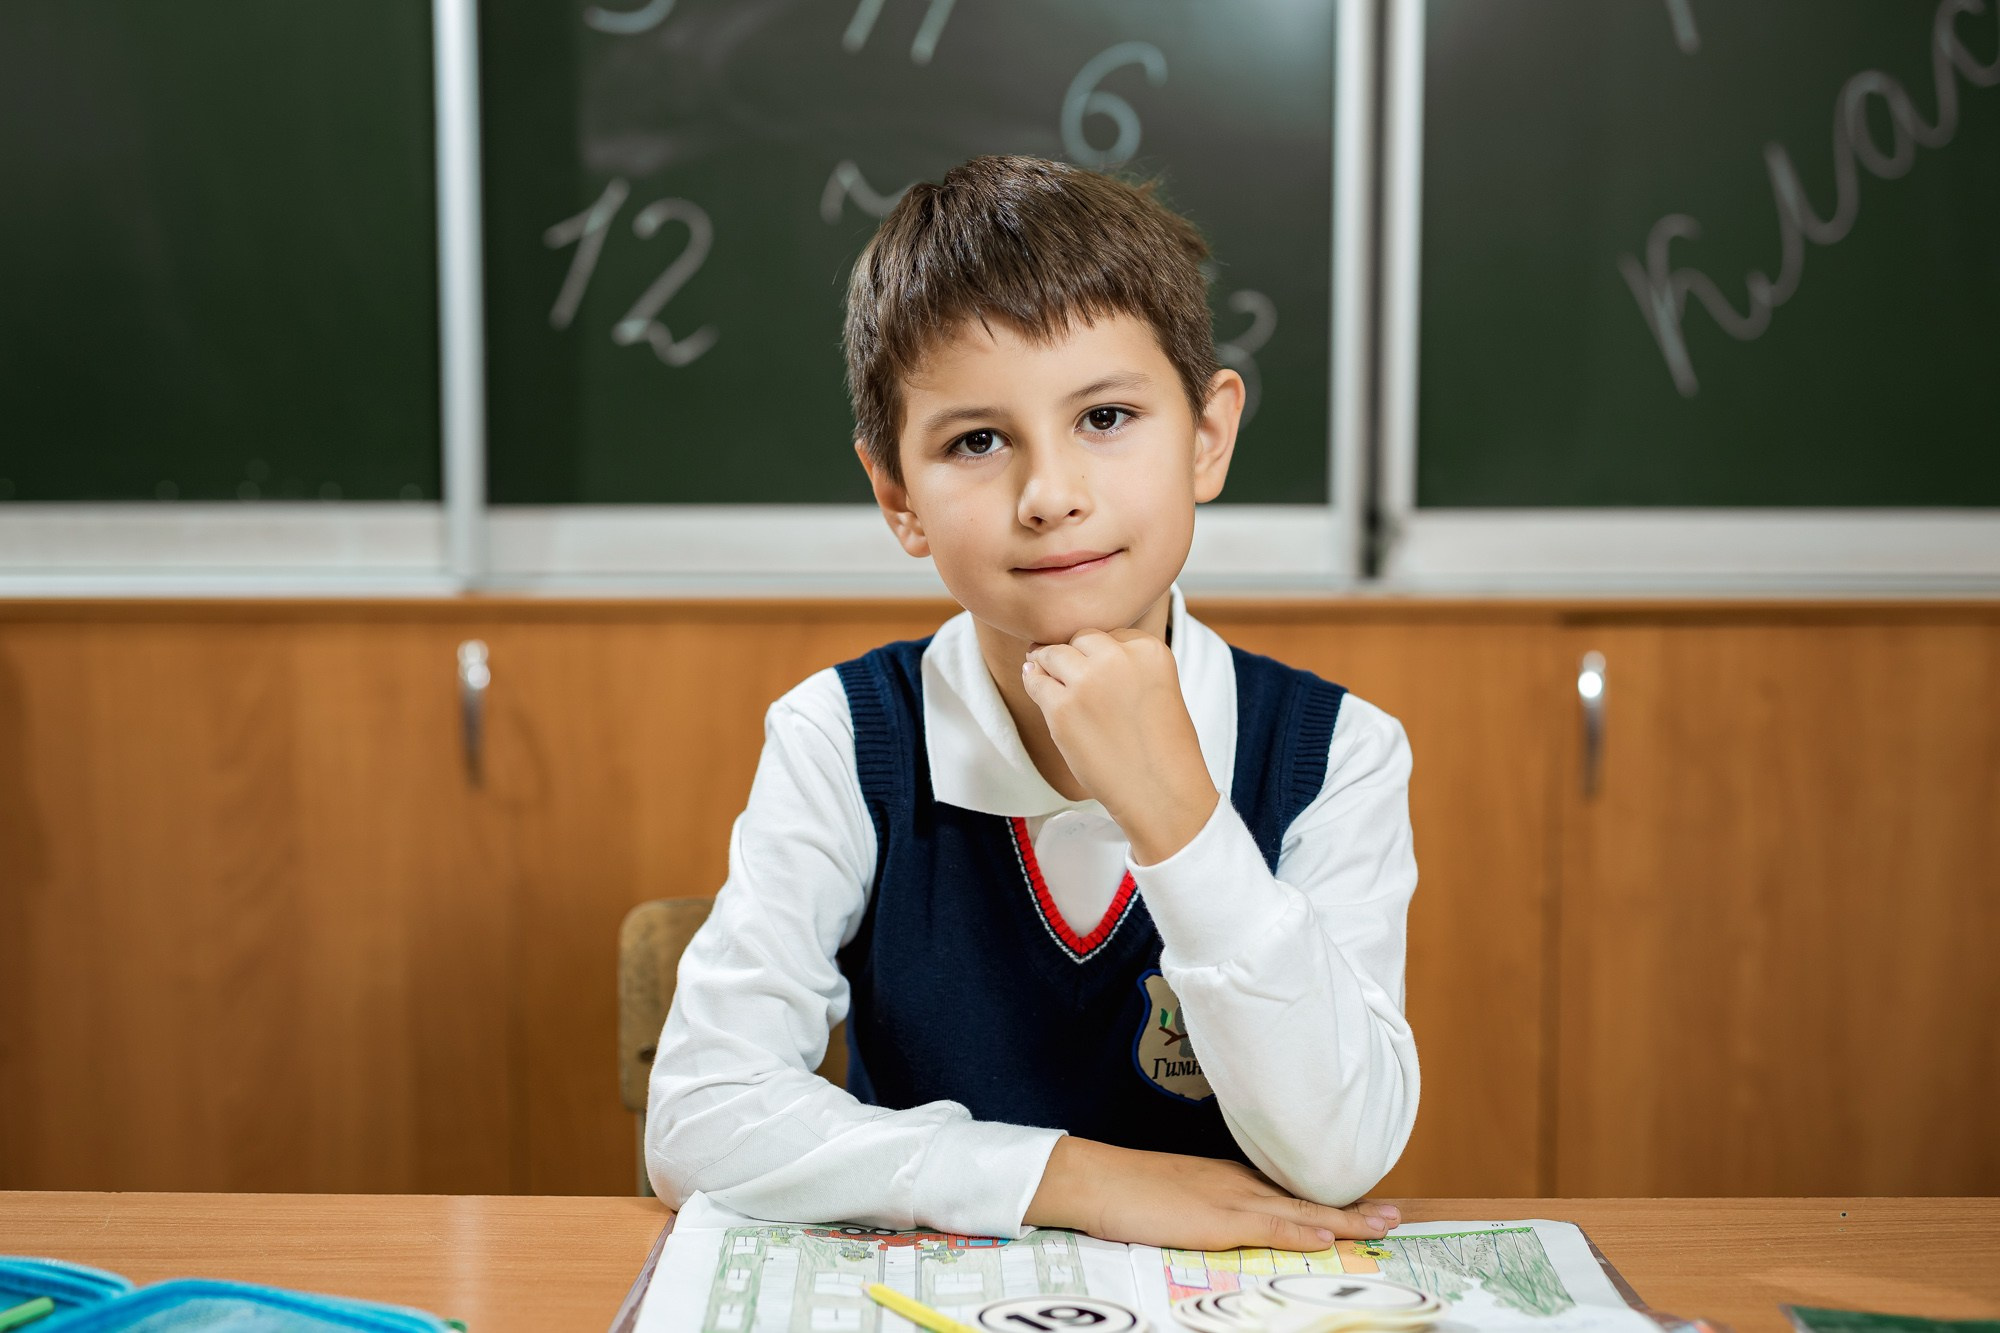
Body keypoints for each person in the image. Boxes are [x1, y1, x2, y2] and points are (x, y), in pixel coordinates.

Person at [647, 155, 1418, 1252]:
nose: (1049, 493)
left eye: (1104, 416)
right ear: (897, 497)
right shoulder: (841, 736)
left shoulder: (1336, 753)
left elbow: (1340, 1152)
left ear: (1206, 435)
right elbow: (694, 1116)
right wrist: (1076, 1179)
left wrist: (1180, 818)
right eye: (976, 440)